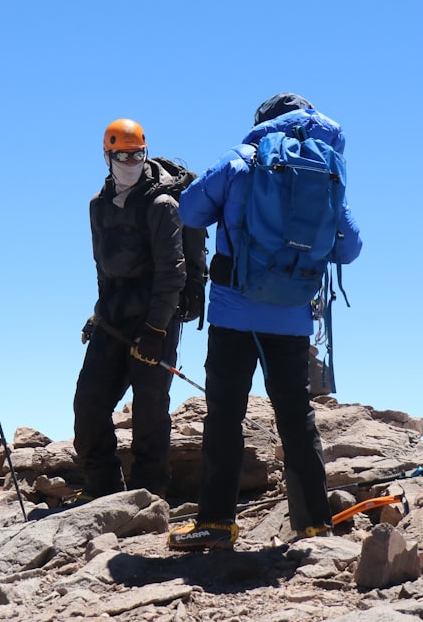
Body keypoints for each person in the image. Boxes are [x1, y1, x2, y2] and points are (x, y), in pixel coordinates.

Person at [167, 92, 362, 551]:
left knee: (225, 416)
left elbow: (190, 210)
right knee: (297, 416)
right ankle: (314, 525)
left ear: (264, 120)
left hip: (235, 310)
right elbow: (349, 247)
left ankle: (216, 525)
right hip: (293, 316)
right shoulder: (329, 167)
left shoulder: (242, 159)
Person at [72, 118, 188, 500]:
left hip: (156, 320)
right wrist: (99, 312)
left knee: (149, 410)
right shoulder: (98, 206)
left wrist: (156, 330)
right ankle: (101, 489)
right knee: (89, 401)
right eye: (122, 154)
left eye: (137, 154)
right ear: (107, 155)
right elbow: (100, 268)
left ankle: (147, 496)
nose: (130, 161)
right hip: (114, 318)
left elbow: (173, 272)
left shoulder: (161, 204)